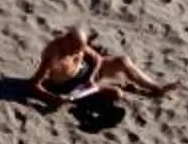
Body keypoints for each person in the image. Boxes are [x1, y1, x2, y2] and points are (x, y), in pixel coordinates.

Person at [28, 26, 179, 109]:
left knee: (123, 61)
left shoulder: (78, 46)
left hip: (88, 74)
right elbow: (33, 84)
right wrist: (52, 98)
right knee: (117, 94)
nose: (78, 52)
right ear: (67, 41)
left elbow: (97, 59)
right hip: (74, 86)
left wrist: (91, 77)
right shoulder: (52, 56)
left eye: (80, 49)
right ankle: (104, 88)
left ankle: (155, 87)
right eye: (75, 49)